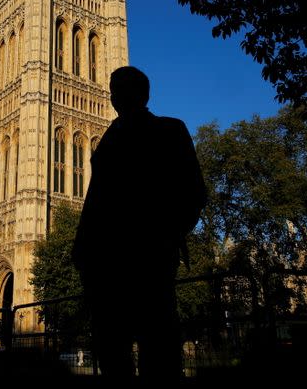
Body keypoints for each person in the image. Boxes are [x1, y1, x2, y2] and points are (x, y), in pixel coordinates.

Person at [72, 66, 206, 383]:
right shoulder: (109, 138)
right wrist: (82, 248)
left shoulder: (170, 130)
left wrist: (169, 235)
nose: (116, 95)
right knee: (111, 345)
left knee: (157, 339)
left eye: (124, 89)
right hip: (107, 259)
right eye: (115, 89)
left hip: (150, 253)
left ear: (144, 94)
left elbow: (194, 192)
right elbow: (96, 198)